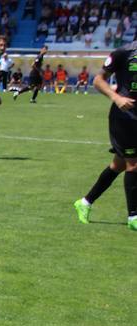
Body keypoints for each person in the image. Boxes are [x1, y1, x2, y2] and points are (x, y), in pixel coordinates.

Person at [84, 42, 137, 231]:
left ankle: (85, 202)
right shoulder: (124, 52)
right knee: (134, 164)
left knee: (119, 165)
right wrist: (117, 98)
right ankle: (133, 216)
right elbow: (98, 80)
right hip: (124, 116)